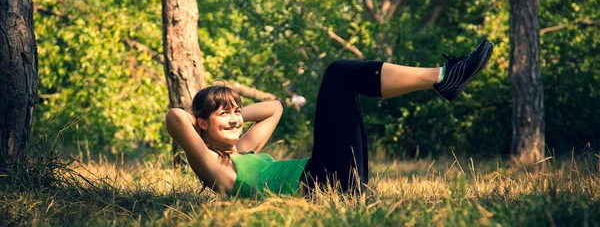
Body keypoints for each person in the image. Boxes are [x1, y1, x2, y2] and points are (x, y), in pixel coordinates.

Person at [165, 39, 494, 198]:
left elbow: (275, 108)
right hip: (319, 181)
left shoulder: (243, 150)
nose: (237, 119)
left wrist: (231, 118)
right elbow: (175, 117)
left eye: (237, 112)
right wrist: (204, 122)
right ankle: (443, 77)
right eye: (225, 115)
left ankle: (445, 79)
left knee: (346, 86)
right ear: (203, 123)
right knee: (338, 74)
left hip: (339, 178)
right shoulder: (213, 168)